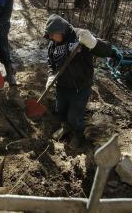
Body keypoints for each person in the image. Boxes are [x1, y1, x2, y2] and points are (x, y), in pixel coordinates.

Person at [45, 14, 120, 146]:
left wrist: (93, 43)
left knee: (75, 117)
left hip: (80, 87)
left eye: (53, 34)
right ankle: (66, 127)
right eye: (49, 35)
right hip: (61, 86)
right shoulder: (53, 44)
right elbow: (51, 62)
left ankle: (78, 135)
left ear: (61, 30)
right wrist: (51, 75)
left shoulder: (80, 36)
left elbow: (108, 50)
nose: (51, 38)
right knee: (60, 111)